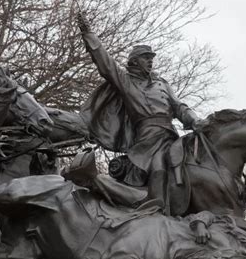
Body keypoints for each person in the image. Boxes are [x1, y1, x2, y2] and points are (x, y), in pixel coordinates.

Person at [77, 13, 200, 214]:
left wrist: (195, 120)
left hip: (170, 135)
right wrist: (89, 34)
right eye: (146, 58)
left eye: (151, 58)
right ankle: (156, 206)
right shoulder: (127, 82)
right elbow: (106, 64)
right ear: (134, 62)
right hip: (147, 140)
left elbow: (179, 107)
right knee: (160, 164)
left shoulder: (162, 84)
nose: (150, 62)